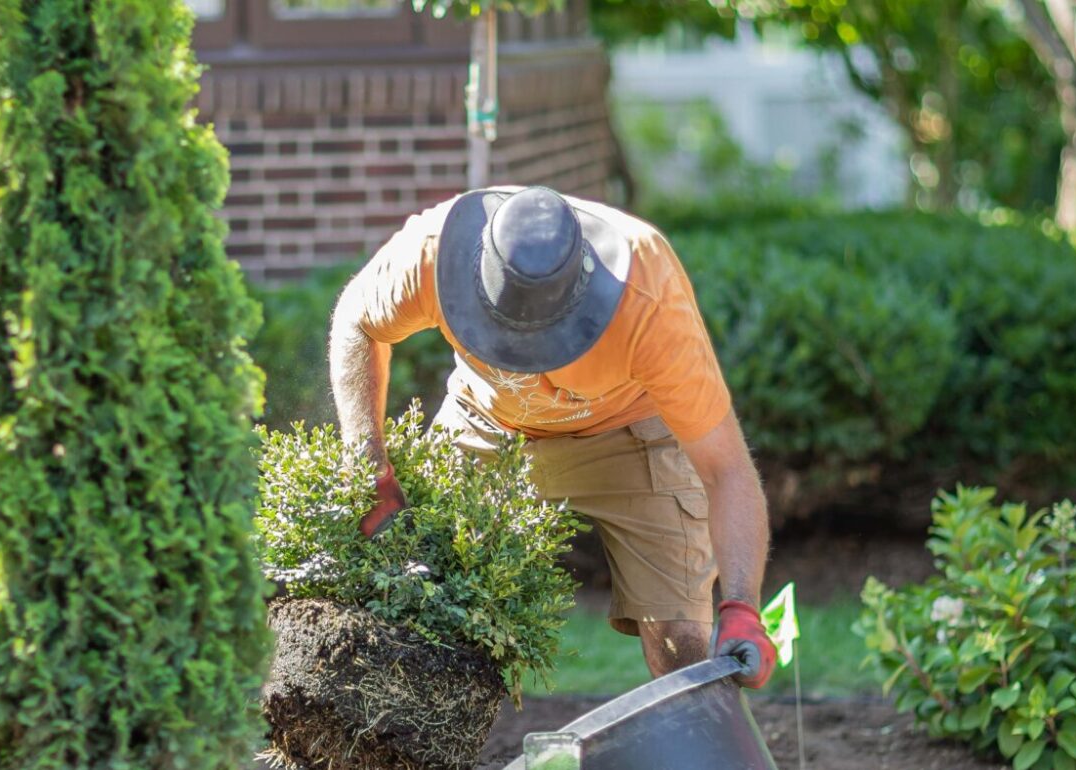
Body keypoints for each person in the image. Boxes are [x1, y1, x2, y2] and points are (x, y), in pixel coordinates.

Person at [327, 185, 777, 686]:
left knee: (683, 652)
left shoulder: (648, 297)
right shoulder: (432, 253)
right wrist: (369, 466)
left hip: (629, 429)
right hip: (487, 421)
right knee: (420, 609)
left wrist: (742, 607)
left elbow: (726, 468)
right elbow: (357, 321)